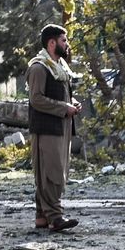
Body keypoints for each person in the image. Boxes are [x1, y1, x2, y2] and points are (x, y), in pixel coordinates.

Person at [27, 24, 82, 231]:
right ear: (52, 43)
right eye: (63, 40)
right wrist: (63, 107)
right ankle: (55, 217)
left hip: (62, 126)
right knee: (51, 172)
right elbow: (36, 99)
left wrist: (72, 102)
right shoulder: (39, 67)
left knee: (56, 170)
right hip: (47, 127)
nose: (67, 45)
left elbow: (59, 93)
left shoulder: (58, 66)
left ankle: (42, 216)